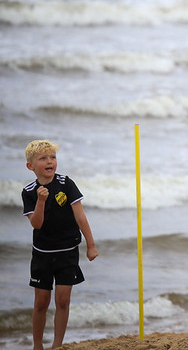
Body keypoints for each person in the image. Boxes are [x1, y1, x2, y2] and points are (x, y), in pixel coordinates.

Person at [21, 140, 99, 350]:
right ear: (31, 166)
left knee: (63, 301)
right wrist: (40, 201)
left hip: (67, 252)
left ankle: (57, 346)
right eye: (43, 158)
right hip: (42, 254)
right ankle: (38, 346)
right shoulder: (29, 191)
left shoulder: (66, 183)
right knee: (41, 302)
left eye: (52, 157)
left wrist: (90, 245)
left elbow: (80, 216)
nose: (50, 161)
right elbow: (36, 224)